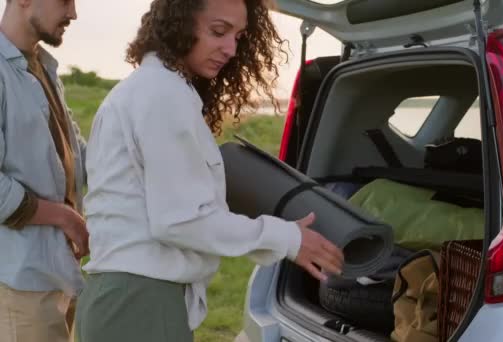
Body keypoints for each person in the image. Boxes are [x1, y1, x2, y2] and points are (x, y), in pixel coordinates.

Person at [74, 0, 344, 341]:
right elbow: (181, 220)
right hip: (140, 303)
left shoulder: (147, 89)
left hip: (125, 298)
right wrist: (287, 238)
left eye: (239, 36)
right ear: (180, 23)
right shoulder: (161, 94)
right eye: (218, 31)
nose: (231, 49)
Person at [0, 0, 89, 341]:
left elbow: (76, 157)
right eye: (65, 1)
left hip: (57, 275)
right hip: (18, 285)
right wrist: (65, 217)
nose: (73, 13)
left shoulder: (43, 67)